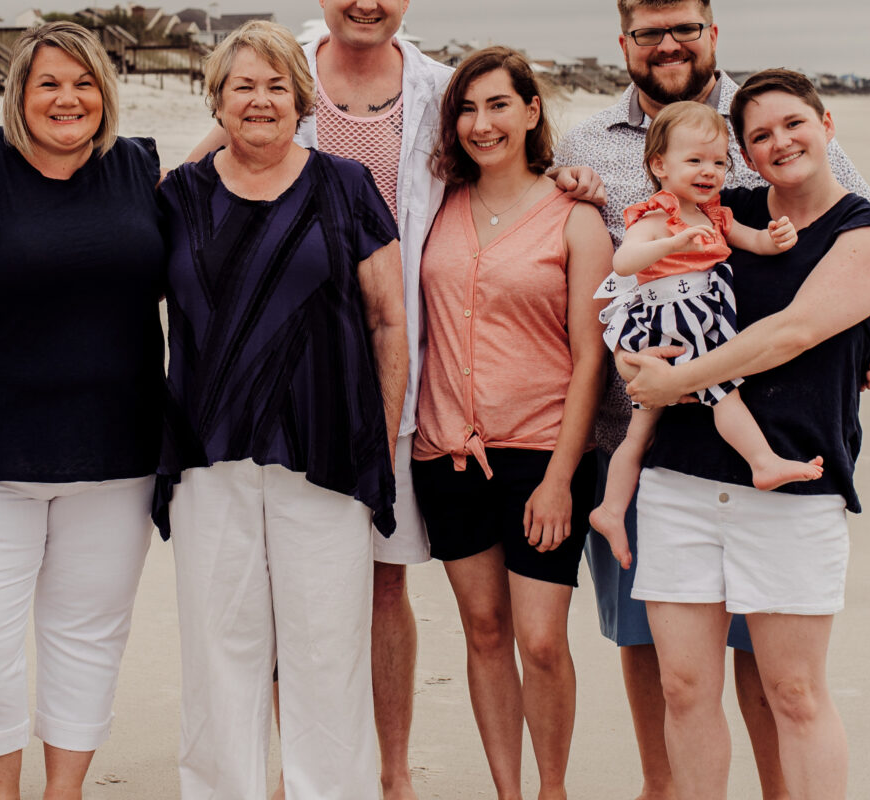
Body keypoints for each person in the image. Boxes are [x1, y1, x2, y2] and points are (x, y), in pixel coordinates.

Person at [184, 6, 600, 794]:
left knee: (381, 583)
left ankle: (394, 770)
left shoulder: (441, 91)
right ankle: (290, 763)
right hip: (287, 382)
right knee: (281, 586)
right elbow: (203, 170)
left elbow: (507, 185)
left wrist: (579, 181)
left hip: (402, 381)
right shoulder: (280, 68)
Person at [549, 3, 870, 797]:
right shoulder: (585, 144)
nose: (668, 44)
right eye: (648, 31)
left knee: (771, 667)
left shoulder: (759, 120)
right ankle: (663, 788)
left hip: (755, 421)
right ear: (624, 41)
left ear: (712, 32)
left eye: (685, 28)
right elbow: (571, 253)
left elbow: (851, 234)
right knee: (665, 660)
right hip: (638, 435)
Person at [619, 68, 870, 800]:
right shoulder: (726, 210)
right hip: (680, 479)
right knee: (685, 689)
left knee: (795, 695)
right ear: (744, 155)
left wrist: (675, 382)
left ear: (826, 125)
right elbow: (640, 269)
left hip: (794, 479)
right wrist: (635, 354)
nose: (779, 141)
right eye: (759, 136)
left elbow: (792, 332)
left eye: (793, 123)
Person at [157, 21, 408, 800]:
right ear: (218, 101)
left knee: (326, 649)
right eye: (242, 86)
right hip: (208, 451)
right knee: (217, 646)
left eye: (275, 86)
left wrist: (381, 440)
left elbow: (389, 320)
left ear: (302, 99)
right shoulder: (180, 195)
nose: (260, 100)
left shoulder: (346, 183)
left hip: (327, 451)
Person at [0, 22, 166, 800]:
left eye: (85, 83)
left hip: (118, 451)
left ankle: (63, 792)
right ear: (19, 93)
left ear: (107, 93)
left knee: (89, 635)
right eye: (49, 84)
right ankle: (1, 792)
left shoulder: (142, 169)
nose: (69, 99)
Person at [408, 48, 612, 800]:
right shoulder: (434, 202)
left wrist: (562, 479)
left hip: (542, 456)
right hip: (446, 454)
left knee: (542, 641)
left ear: (532, 110)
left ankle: (551, 789)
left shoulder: (577, 217)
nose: (481, 123)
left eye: (499, 105)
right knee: (486, 634)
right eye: (466, 108)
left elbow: (591, 359)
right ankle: (508, 791)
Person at [589, 100, 812, 558]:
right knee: (720, 390)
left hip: (697, 317)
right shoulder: (653, 216)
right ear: (659, 165)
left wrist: (776, 239)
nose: (709, 171)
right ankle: (762, 460)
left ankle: (610, 510)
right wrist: (670, 241)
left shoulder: (715, 215)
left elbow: (755, 242)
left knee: (642, 430)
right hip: (669, 320)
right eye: (695, 160)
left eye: (719, 162)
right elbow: (623, 262)